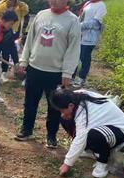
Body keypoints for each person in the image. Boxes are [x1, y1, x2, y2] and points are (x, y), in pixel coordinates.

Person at [16, 0, 81, 148]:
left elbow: (74, 48)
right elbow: (30, 40)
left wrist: (67, 72)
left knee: (54, 106)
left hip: (56, 72)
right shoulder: (40, 15)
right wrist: (24, 61)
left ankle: (51, 135)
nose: (54, 1)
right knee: (30, 102)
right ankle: (27, 130)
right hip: (35, 68)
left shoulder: (72, 20)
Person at [51, 88, 124, 178]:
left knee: (93, 136)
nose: (61, 112)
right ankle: (91, 151)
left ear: (71, 105)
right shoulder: (75, 96)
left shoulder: (83, 111)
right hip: (105, 128)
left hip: (122, 131)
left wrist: (67, 164)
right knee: (65, 118)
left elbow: (80, 138)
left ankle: (103, 164)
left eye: (62, 110)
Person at [0, 0, 29, 83]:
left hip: (14, 31)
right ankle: (2, 74)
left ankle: (13, 70)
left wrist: (20, 4)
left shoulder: (20, 6)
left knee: (12, 50)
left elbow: (26, 11)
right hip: (2, 31)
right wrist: (5, 5)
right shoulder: (2, 5)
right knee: (6, 51)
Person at [74, 0, 107, 86]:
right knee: (75, 56)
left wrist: (78, 25)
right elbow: (81, 16)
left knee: (84, 58)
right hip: (80, 35)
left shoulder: (101, 5)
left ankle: (81, 78)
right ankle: (71, 77)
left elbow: (95, 22)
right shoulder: (88, 3)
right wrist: (75, 23)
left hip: (89, 37)